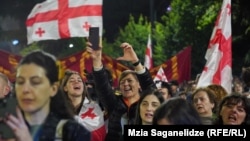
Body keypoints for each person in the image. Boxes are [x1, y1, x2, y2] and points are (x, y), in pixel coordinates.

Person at [1, 50, 91, 141]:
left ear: (53, 89)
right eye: (20, 82)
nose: (25, 89)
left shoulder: (73, 132)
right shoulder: (7, 127)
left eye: (35, 82)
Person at [86, 42, 155, 141]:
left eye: (130, 81)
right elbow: (103, 87)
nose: (126, 84)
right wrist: (96, 60)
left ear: (139, 84)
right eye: (122, 82)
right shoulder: (114, 103)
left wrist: (136, 62)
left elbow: (151, 88)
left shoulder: (148, 104)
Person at [60, 69, 106, 141]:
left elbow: (100, 136)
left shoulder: (95, 108)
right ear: (65, 88)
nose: (76, 82)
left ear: (83, 86)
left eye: (79, 80)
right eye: (71, 80)